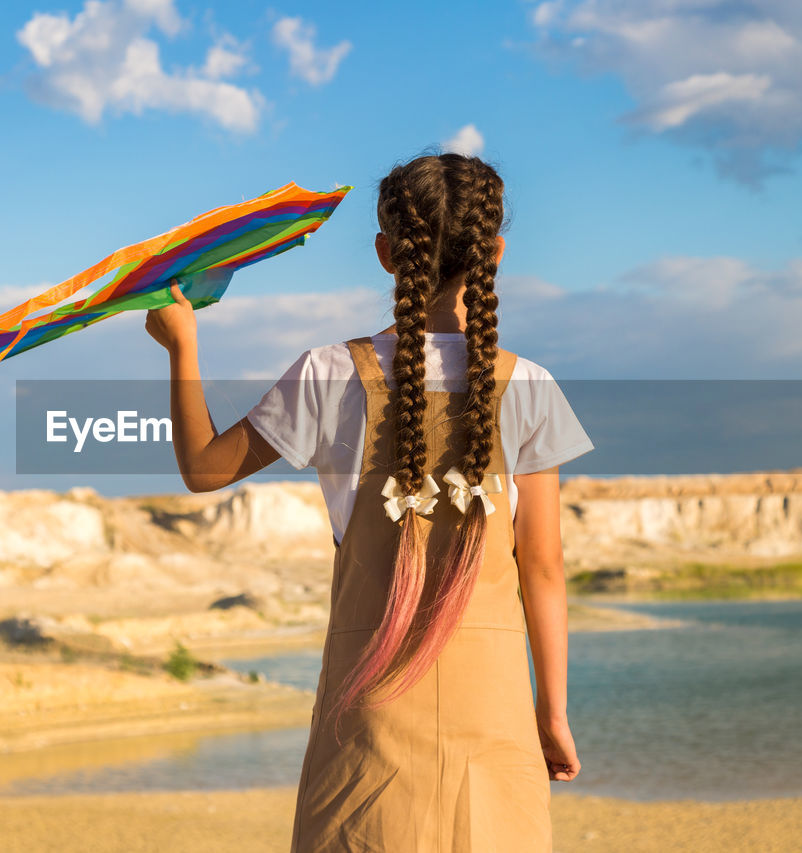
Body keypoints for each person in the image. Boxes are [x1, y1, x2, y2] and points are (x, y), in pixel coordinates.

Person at [145, 152, 591, 852]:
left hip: (367, 721)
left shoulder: (328, 372)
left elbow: (203, 467)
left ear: (387, 253)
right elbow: (543, 568)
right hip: (495, 712)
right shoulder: (529, 384)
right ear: (495, 253)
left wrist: (181, 345)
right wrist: (552, 712)